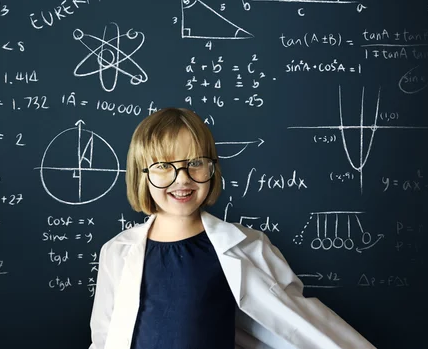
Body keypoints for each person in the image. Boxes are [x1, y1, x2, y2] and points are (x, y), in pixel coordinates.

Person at [88, 107, 376, 349]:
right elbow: (104, 337)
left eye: (196, 163)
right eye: (164, 165)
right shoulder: (117, 252)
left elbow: (296, 320)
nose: (182, 179)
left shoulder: (247, 246)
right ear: (142, 174)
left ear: (213, 168)